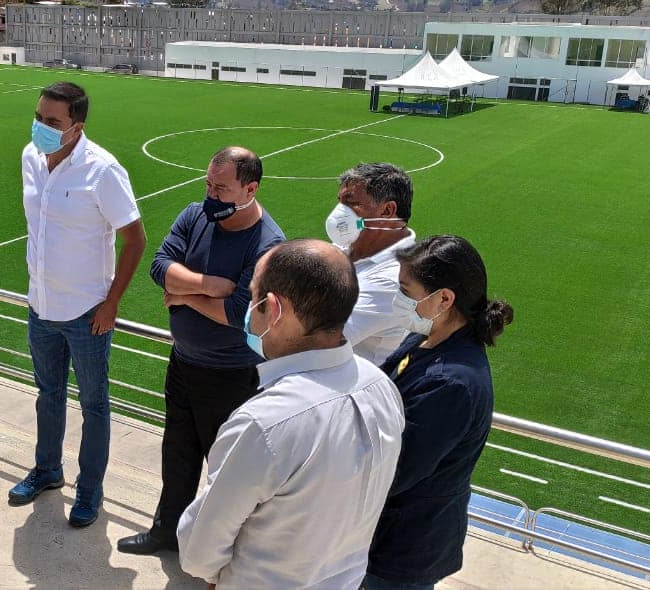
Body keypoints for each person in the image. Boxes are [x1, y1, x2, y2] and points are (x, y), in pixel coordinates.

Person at [177, 239, 405, 589]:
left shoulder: (265, 423)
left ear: (274, 308)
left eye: (253, 299)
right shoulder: (382, 388)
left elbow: (199, 549)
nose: (250, 310)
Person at [117, 147, 283, 555]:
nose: (211, 194)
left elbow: (239, 312)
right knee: (177, 451)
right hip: (184, 362)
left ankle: (220, 552)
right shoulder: (195, 214)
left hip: (230, 376)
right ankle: (167, 531)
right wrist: (209, 286)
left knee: (225, 471)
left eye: (221, 188)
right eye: (208, 184)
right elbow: (159, 267)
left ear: (250, 189)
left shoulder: (267, 243)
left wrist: (184, 296)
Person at [8, 81, 146, 529]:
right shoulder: (31, 157)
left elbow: (135, 239)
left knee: (94, 405)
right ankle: (47, 470)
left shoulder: (102, 170)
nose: (42, 127)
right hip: (41, 306)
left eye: (53, 122)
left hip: (88, 312)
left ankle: (89, 492)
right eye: (38, 117)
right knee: (47, 395)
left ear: (76, 126)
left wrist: (111, 304)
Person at [365, 235, 514, 590]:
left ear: (444, 299)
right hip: (388, 537)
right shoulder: (427, 339)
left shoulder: (452, 384)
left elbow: (395, 471)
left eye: (405, 289)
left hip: (401, 549)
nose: (398, 299)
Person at [325, 162, 417, 365]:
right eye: (340, 201)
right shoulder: (346, 245)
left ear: (387, 211)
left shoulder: (395, 279)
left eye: (351, 203)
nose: (339, 212)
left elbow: (317, 343)